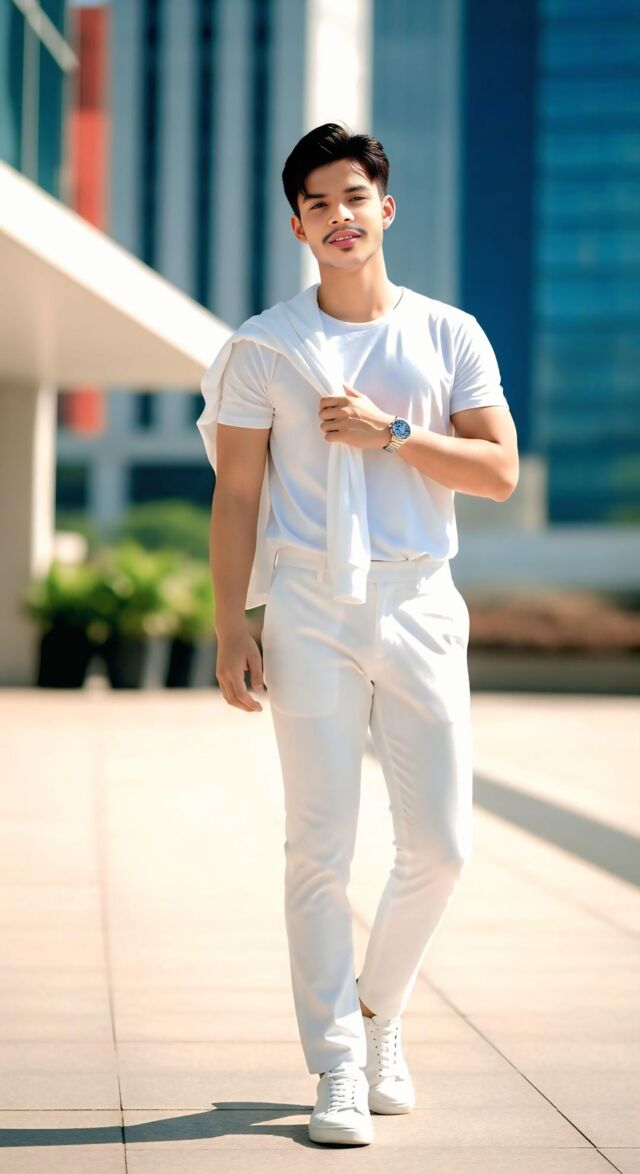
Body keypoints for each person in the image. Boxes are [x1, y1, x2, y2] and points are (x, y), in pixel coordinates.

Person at [198, 122, 519, 1148]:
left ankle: (379, 1012)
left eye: (354, 196)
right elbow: (236, 496)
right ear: (297, 226)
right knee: (319, 846)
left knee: (442, 848)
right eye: (318, 203)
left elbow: (499, 470)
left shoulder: (449, 334)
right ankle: (337, 1061)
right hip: (307, 607)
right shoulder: (263, 345)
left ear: (386, 208)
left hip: (421, 597)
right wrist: (232, 624)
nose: (340, 216)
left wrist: (393, 434)